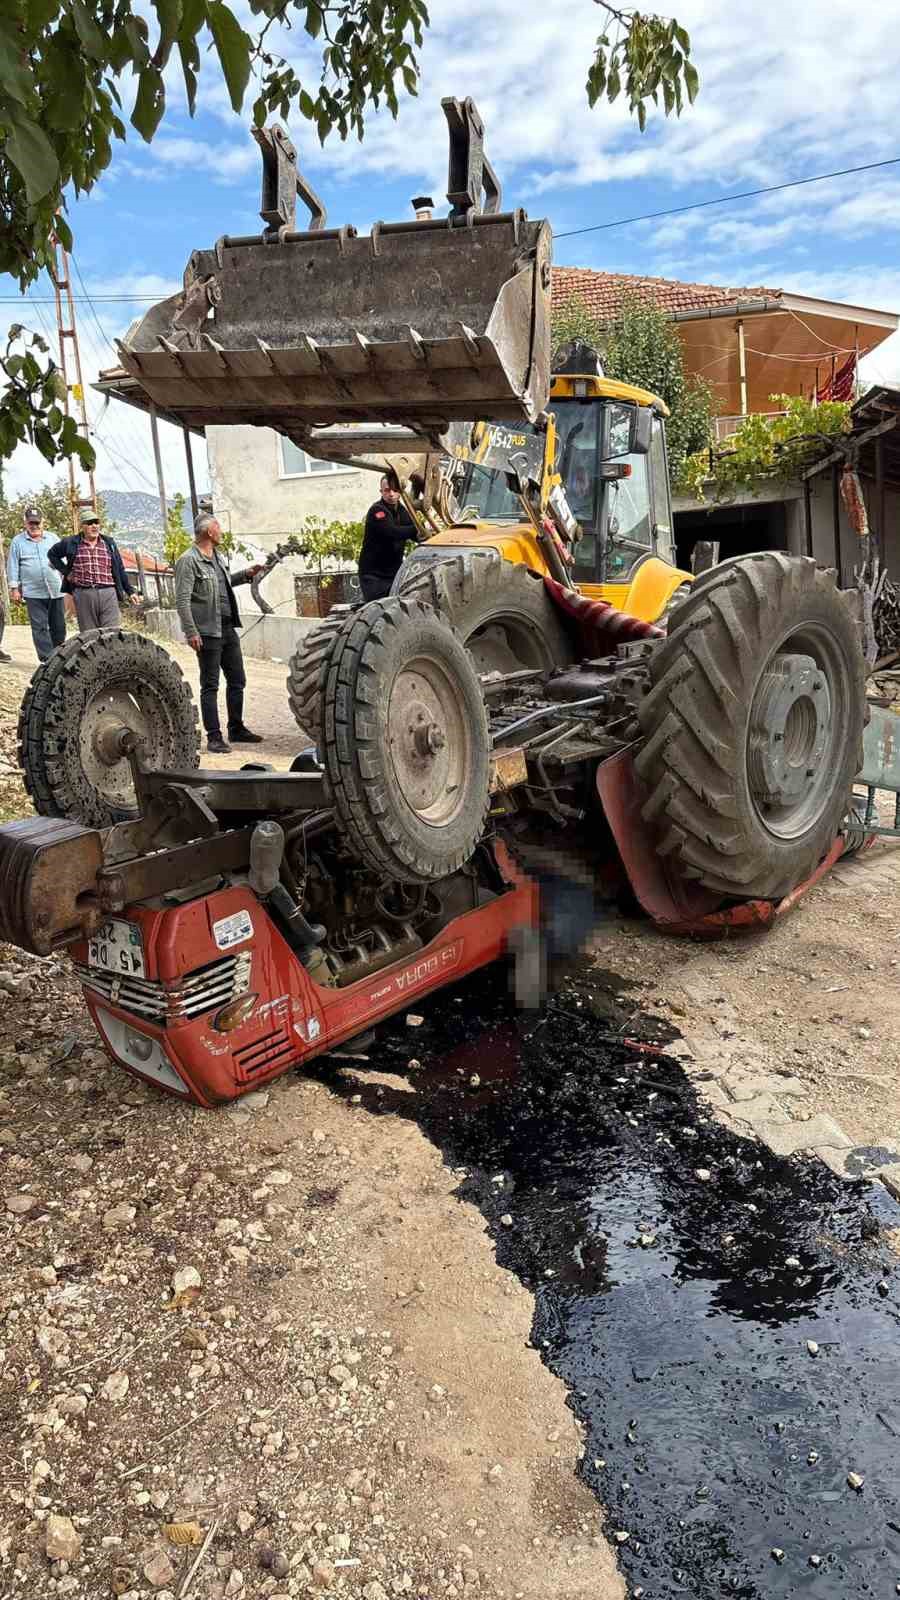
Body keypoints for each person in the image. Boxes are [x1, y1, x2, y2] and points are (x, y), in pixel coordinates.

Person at [174, 513, 265, 755]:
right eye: (218, 528)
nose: (221, 531)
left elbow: (223, 584)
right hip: (207, 632)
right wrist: (191, 631)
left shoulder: (218, 557)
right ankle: (214, 737)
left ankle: (236, 728)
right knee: (210, 685)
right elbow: (182, 601)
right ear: (208, 532)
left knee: (237, 680)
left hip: (227, 628)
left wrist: (245, 574)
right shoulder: (188, 561)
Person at [48, 508, 139, 631]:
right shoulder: (71, 542)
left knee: (112, 633)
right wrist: (66, 572)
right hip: (83, 593)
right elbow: (52, 554)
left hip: (108, 592)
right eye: (90, 523)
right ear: (82, 526)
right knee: (89, 635)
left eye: (96, 522)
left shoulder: (109, 543)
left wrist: (130, 591)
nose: (94, 526)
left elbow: (120, 568)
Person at [7, 506, 65, 662]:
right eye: (31, 523)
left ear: (43, 522)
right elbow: (13, 565)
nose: (34, 526)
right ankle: (47, 660)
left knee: (58, 626)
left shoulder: (53, 538)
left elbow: (64, 560)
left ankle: (60, 657)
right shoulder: (17, 541)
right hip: (33, 592)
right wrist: (14, 588)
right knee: (39, 627)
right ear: (25, 523)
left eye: (37, 523)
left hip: (55, 589)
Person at [358, 471, 417, 601]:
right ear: (381, 491)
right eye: (387, 490)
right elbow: (392, 532)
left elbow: (415, 535)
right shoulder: (377, 511)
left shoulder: (402, 510)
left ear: (400, 491)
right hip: (373, 576)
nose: (391, 494)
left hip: (394, 574)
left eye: (395, 490)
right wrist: (418, 528)